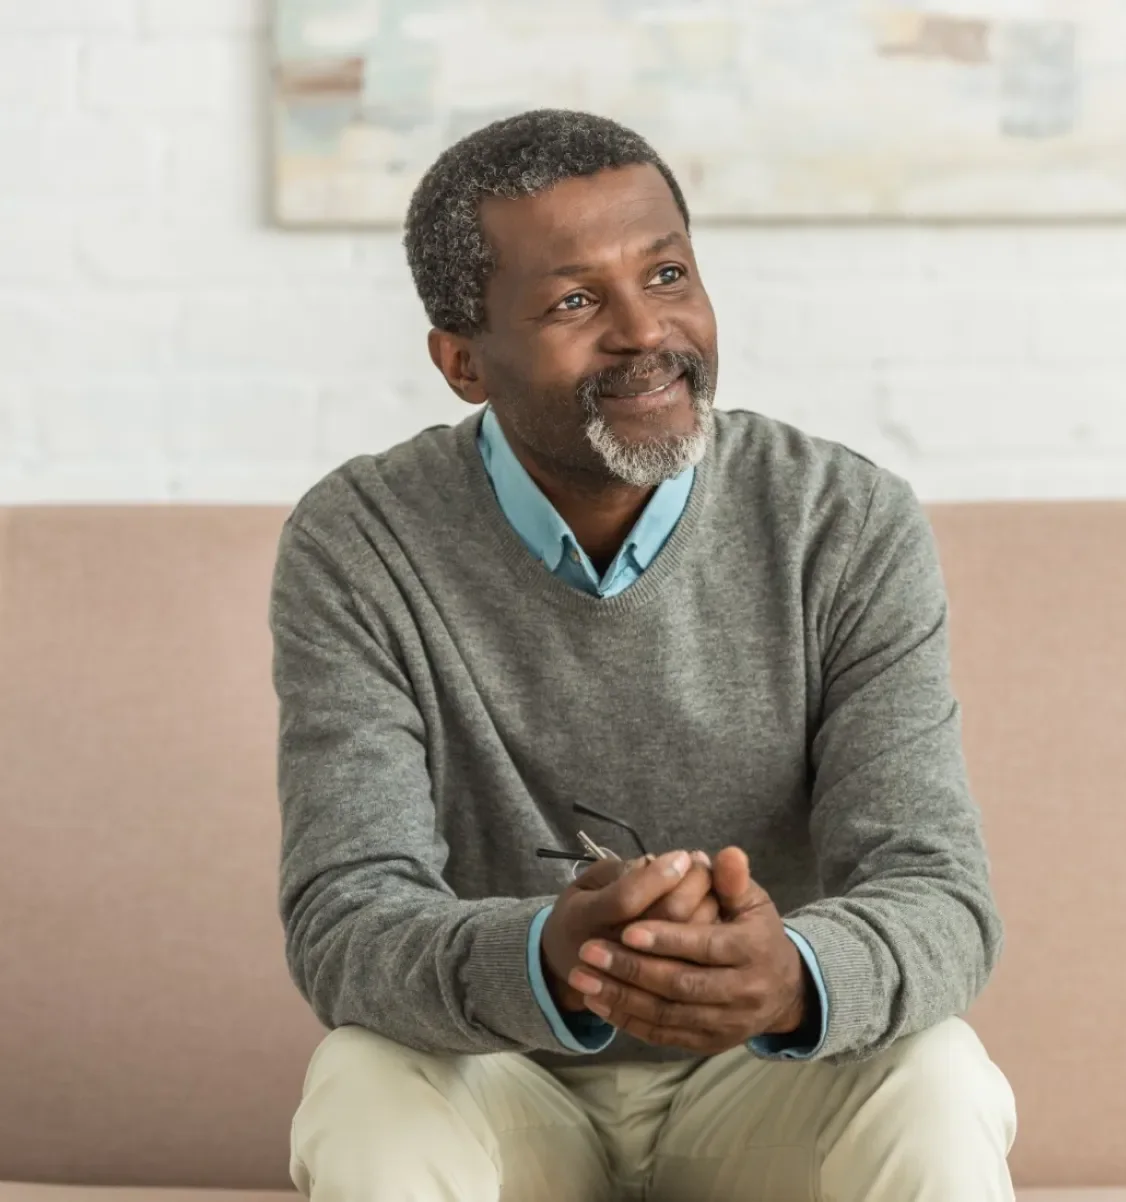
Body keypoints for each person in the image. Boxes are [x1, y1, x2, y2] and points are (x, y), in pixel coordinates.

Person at [271, 109, 1015, 1201]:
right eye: (576, 300)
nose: (644, 331)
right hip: (509, 1081)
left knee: (939, 1068)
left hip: (762, 1087)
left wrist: (790, 980)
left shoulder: (843, 520)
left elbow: (937, 891)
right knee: (362, 1076)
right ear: (462, 359)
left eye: (668, 273)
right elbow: (346, 918)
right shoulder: (362, 541)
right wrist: (551, 951)